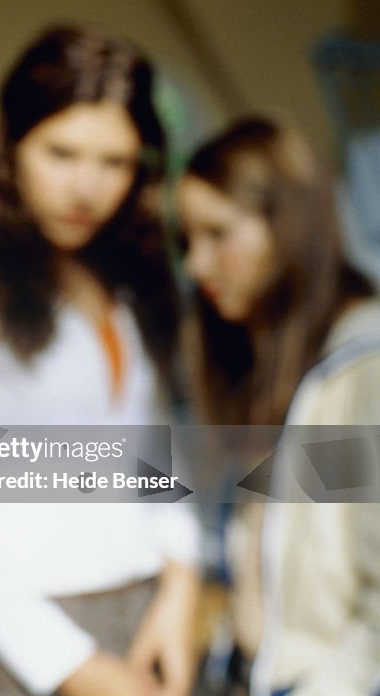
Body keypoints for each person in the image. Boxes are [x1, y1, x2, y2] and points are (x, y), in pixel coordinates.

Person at [0, 25, 200, 696]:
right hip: (23, 641)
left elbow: (149, 453)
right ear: (11, 145)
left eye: (115, 161)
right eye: (61, 152)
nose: (86, 187)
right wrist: (80, 670)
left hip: (146, 611)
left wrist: (182, 582)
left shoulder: (124, 275)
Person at [178, 116, 380, 696]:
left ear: (286, 227)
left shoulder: (360, 370)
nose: (196, 264)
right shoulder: (262, 362)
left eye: (218, 234)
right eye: (187, 239)